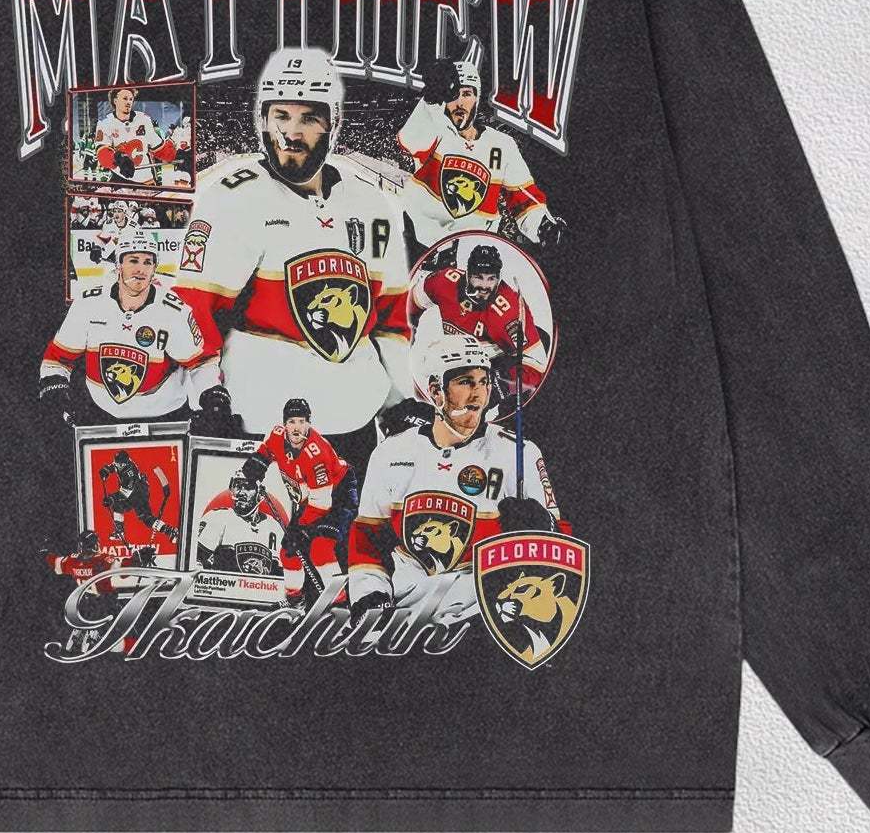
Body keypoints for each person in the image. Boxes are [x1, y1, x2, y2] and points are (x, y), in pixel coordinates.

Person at [173, 48, 411, 438]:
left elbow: (391, 320)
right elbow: (194, 310)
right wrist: (208, 395)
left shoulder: (373, 204)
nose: (292, 134)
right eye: (281, 116)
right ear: (263, 120)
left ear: (333, 123)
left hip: (356, 416)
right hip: (261, 418)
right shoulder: (231, 200)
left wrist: (398, 399)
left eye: (309, 118)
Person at [347, 336, 562, 625]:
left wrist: (542, 529)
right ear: (436, 391)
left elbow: (560, 547)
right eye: (465, 382)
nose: (478, 394)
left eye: (484, 382)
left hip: (485, 615)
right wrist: (370, 593)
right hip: (404, 617)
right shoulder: (390, 453)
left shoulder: (519, 453)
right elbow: (366, 538)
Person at [39, 227, 218, 421]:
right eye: (133, 260)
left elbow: (200, 363)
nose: (141, 269)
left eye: (147, 262)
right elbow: (58, 358)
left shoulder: (175, 312)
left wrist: (212, 398)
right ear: (118, 265)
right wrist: (54, 389)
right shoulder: (88, 304)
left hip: (166, 416)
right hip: (101, 413)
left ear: (154, 269)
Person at [396, 55, 567, 252]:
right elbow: (409, 141)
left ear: (477, 98)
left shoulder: (502, 144)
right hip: (423, 247)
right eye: (452, 95)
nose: (459, 102)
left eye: (467, 94)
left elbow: (523, 196)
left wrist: (542, 224)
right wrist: (431, 99)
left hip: (473, 251)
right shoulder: (435, 129)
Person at [411, 240, 551, 413]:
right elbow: (411, 301)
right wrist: (406, 328)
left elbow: (537, 367)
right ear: (468, 274)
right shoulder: (443, 281)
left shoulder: (507, 313)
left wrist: (502, 383)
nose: (485, 286)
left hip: (498, 362)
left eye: (491, 278)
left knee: (466, 412)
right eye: (478, 277)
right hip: (463, 356)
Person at [245, 397, 358, 605]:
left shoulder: (317, 455)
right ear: (284, 424)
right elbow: (268, 449)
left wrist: (300, 528)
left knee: (320, 548)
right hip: (311, 500)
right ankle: (295, 600)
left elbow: (322, 504)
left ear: (309, 423)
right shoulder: (277, 435)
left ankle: (341, 602)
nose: (296, 428)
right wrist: (257, 462)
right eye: (291, 422)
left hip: (338, 495)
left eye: (301, 421)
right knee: (288, 551)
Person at [93, 86, 177, 186]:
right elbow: (102, 153)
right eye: (125, 98)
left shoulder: (143, 119)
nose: (128, 102)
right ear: (115, 101)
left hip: (145, 181)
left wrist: (176, 152)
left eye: (131, 99)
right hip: (120, 179)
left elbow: (159, 148)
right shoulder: (105, 123)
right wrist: (119, 158)